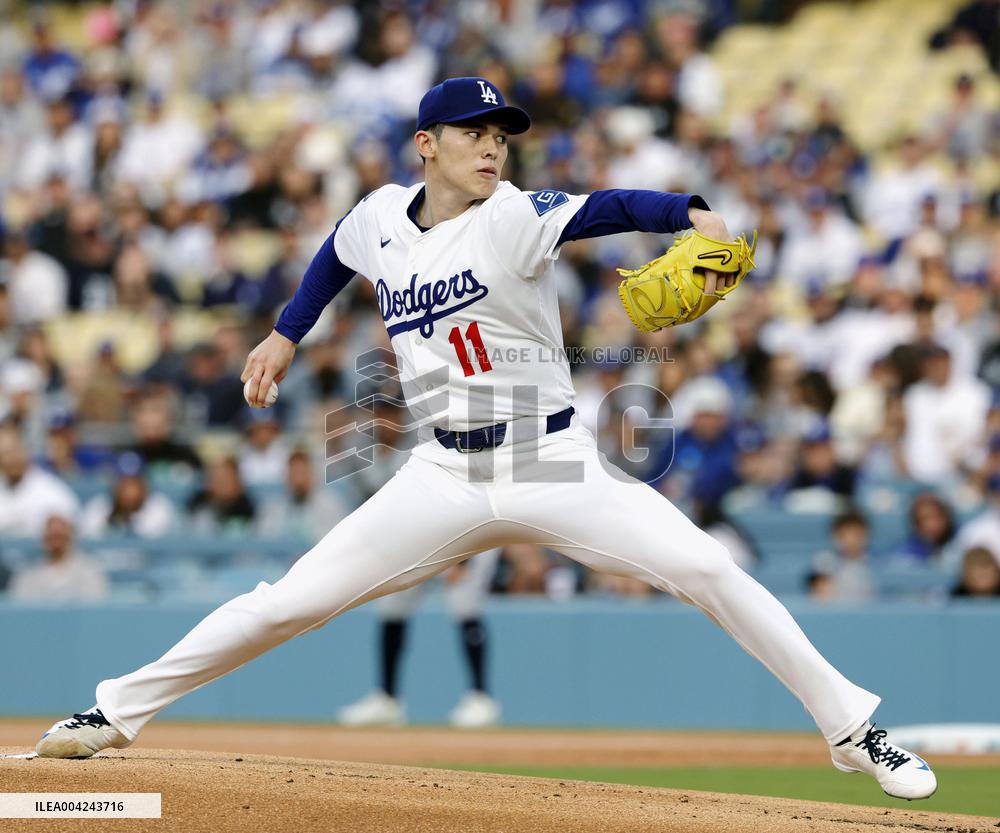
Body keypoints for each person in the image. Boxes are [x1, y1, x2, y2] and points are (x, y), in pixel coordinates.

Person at [36, 77, 937, 802]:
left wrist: (690, 210)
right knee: (288, 601)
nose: (492, 146)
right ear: (426, 144)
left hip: (550, 459)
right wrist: (283, 332)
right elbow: (335, 256)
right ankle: (114, 711)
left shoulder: (511, 213)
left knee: (706, 570)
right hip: (443, 471)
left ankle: (852, 731)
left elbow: (604, 207)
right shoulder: (382, 215)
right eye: (473, 132)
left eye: (500, 134)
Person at [9, 514, 108, 603]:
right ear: (43, 539)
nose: (56, 543)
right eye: (52, 537)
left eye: (60, 536)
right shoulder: (27, 576)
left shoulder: (90, 571)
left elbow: (94, 606)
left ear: (71, 538)